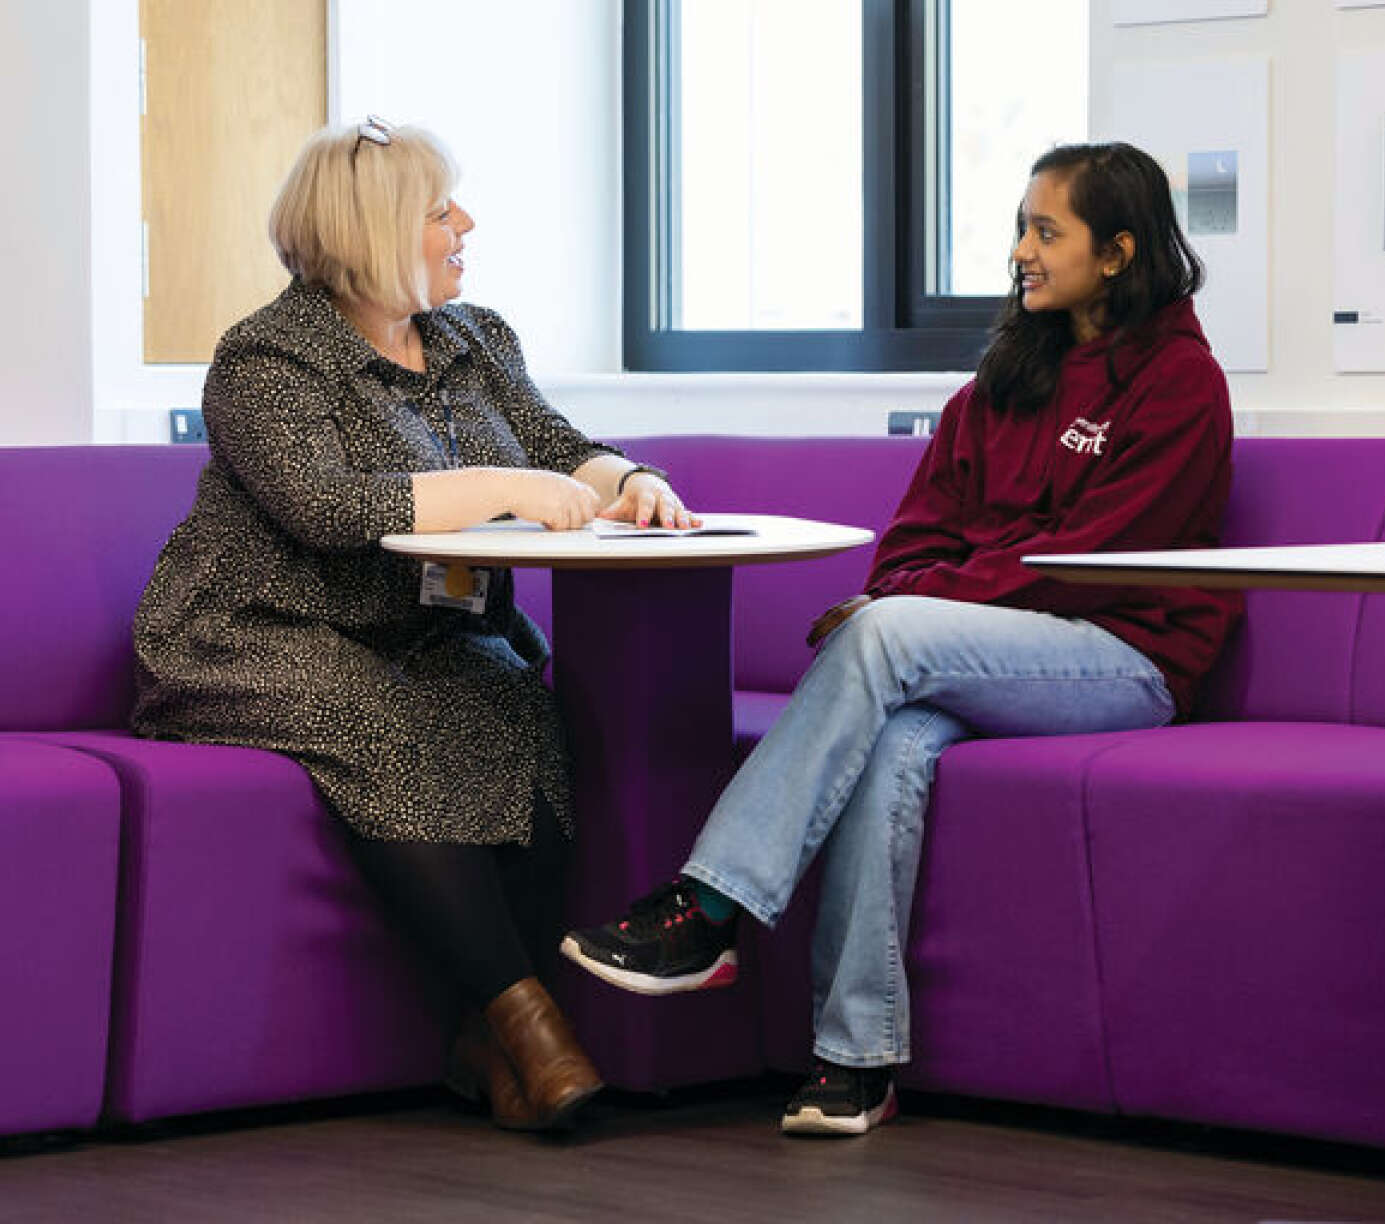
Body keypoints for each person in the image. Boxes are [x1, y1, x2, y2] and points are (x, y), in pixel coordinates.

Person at [561, 141, 1244, 1136]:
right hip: (980, 654)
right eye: (1021, 226)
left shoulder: (1181, 382)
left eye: (1046, 231)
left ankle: (707, 909)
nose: (1020, 250)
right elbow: (914, 539)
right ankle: (856, 1059)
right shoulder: (995, 388)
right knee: (890, 742)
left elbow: (1096, 555)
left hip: (1123, 656)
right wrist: (913, 604)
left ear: (1119, 251)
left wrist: (912, 613)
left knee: (884, 638)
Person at [131, 116, 694, 1132]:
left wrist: (631, 478)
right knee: (382, 719)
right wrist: (502, 487)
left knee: (524, 716)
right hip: (256, 632)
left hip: (420, 633)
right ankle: (534, 1033)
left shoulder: (474, 338)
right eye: (441, 210)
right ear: (375, 227)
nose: (464, 224)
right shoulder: (266, 358)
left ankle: (484, 1040)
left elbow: (563, 445)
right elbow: (331, 507)